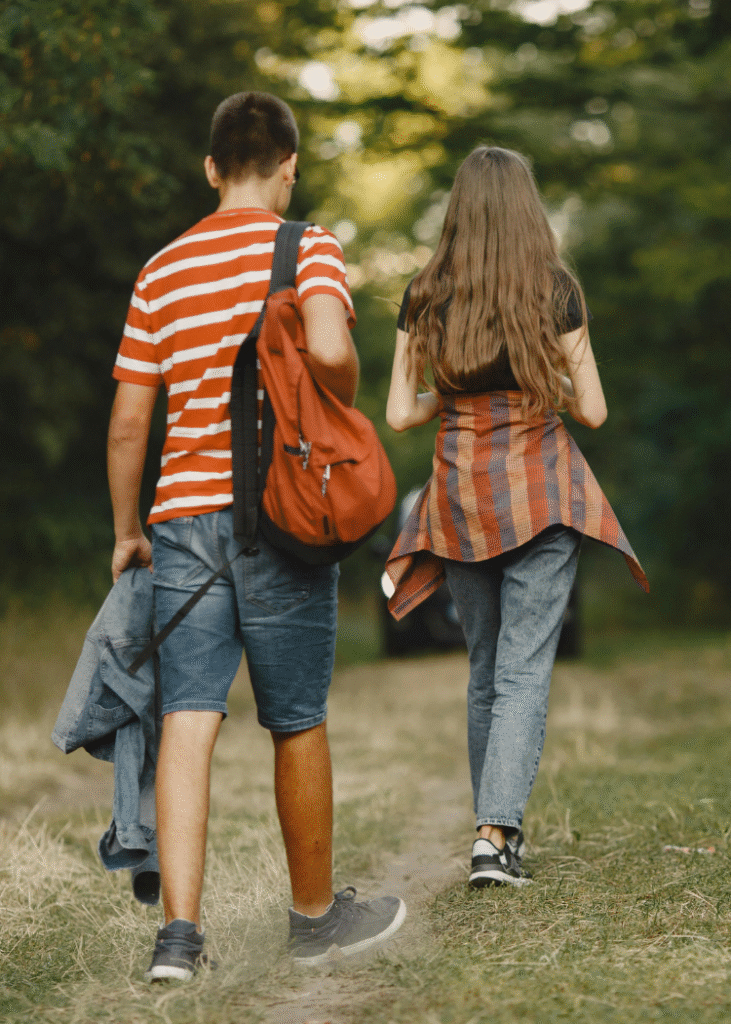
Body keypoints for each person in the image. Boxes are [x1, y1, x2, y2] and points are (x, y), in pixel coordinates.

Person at [107, 91, 405, 979]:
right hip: (280, 514)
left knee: (187, 720)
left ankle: (178, 940)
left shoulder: (161, 270)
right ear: (289, 165)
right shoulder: (305, 246)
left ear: (209, 169)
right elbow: (328, 355)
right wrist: (337, 374)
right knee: (296, 720)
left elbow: (130, 423)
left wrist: (128, 531)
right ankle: (314, 921)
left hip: (182, 522)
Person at [385, 146, 648, 888]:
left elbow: (401, 414)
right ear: (527, 210)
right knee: (524, 670)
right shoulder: (554, 290)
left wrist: (455, 396)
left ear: (458, 210)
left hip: (460, 497)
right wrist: (543, 381)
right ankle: (494, 836)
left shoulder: (425, 291)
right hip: (539, 494)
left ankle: (492, 833)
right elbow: (592, 410)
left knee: (484, 671)